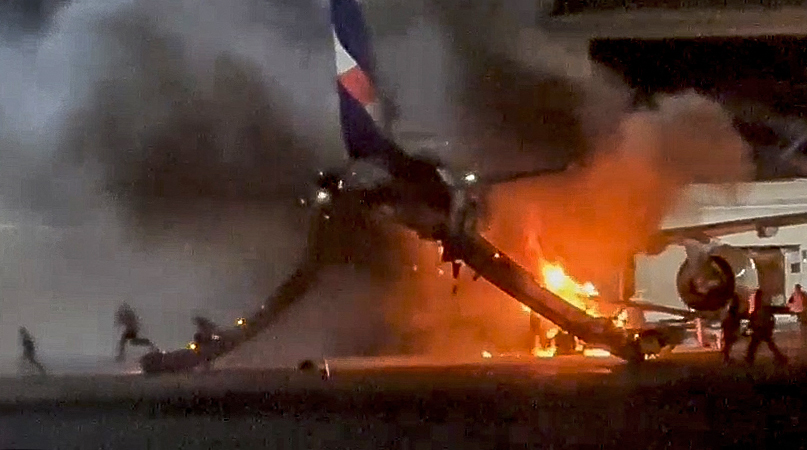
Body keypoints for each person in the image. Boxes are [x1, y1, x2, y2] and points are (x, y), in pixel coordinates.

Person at [746, 289, 788, 366]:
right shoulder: (762, 306)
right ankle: (780, 358)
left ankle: (750, 359)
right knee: (766, 344)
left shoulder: (761, 306)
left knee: (755, 344)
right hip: (762, 327)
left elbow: (759, 315)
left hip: (761, 327)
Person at [720, 293, 742, 364]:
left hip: (729, 325)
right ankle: (726, 357)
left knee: (728, 342)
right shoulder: (733, 311)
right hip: (730, 326)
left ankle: (726, 357)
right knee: (728, 342)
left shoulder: (729, 309)